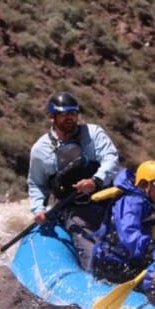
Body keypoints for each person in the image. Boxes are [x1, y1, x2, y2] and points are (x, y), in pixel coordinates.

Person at [27, 91, 120, 271]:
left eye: (73, 114)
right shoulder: (40, 150)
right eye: (63, 114)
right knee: (94, 253)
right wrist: (38, 209)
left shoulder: (93, 133)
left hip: (107, 200)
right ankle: (95, 277)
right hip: (75, 208)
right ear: (51, 116)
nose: (69, 118)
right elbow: (36, 184)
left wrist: (95, 180)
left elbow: (111, 159)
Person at [91, 160, 155, 305]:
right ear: (144, 184)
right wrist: (148, 247)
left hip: (136, 263)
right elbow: (129, 233)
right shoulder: (130, 202)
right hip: (113, 264)